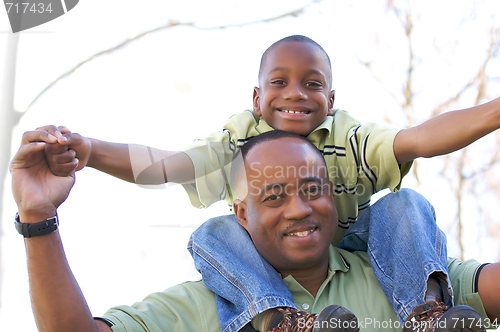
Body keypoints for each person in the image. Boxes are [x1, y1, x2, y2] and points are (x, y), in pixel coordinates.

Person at [38, 35, 500, 331]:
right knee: (212, 234)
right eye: (280, 82)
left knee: (404, 205)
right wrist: (91, 153)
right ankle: (277, 318)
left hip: (364, 245)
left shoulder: (348, 138)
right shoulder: (236, 144)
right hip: (257, 273)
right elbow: (165, 166)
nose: (296, 93)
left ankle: (426, 311)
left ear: (332, 99)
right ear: (257, 98)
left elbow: (418, 139)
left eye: (312, 84)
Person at [11, 129, 499, 332]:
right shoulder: (206, 306)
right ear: (241, 215)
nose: (298, 210)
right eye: (273, 196)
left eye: (313, 190)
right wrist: (37, 218)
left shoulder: (406, 276)